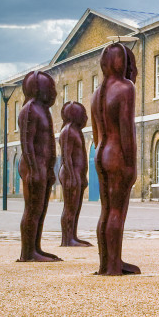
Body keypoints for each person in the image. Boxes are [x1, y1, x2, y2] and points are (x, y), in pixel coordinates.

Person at [91, 42, 140, 276]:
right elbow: (126, 130)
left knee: (106, 209)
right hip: (117, 153)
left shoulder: (96, 93)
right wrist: (131, 164)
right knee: (117, 211)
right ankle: (113, 265)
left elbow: (94, 134)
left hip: (100, 152)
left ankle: (106, 263)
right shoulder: (125, 88)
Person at [18, 71, 62, 262]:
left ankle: (36, 247)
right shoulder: (29, 109)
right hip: (33, 167)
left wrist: (50, 168)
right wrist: (34, 169)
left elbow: (48, 143)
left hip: (43, 167)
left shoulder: (42, 110)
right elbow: (26, 142)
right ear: (37, 88)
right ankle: (27, 252)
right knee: (32, 208)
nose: (53, 93)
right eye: (49, 88)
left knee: (41, 208)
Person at [59, 101, 93, 247]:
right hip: (70, 174)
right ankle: (67, 238)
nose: (86, 118)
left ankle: (73, 235)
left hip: (77, 174)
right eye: (83, 115)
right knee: (70, 206)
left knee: (76, 206)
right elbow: (66, 156)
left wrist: (82, 177)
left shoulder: (75, 130)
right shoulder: (67, 131)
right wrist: (72, 176)